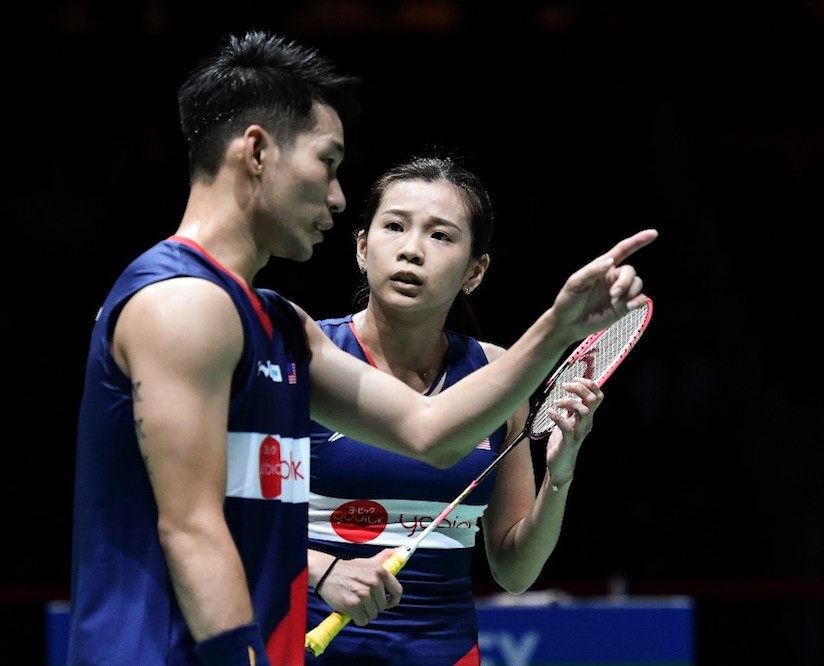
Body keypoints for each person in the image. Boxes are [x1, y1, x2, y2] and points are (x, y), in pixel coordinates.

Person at [67, 29, 656, 666]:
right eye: (327, 163)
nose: (338, 197)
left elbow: (431, 432)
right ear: (258, 152)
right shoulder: (181, 304)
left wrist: (559, 324)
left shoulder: (279, 327)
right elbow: (192, 527)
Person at [304, 155, 605, 665]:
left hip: (443, 652)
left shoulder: (496, 375)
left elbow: (514, 571)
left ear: (475, 271)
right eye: (394, 226)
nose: (411, 250)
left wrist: (560, 476)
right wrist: (320, 568)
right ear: (361, 247)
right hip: (301, 647)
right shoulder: (307, 358)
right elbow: (225, 519)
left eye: (440, 236)